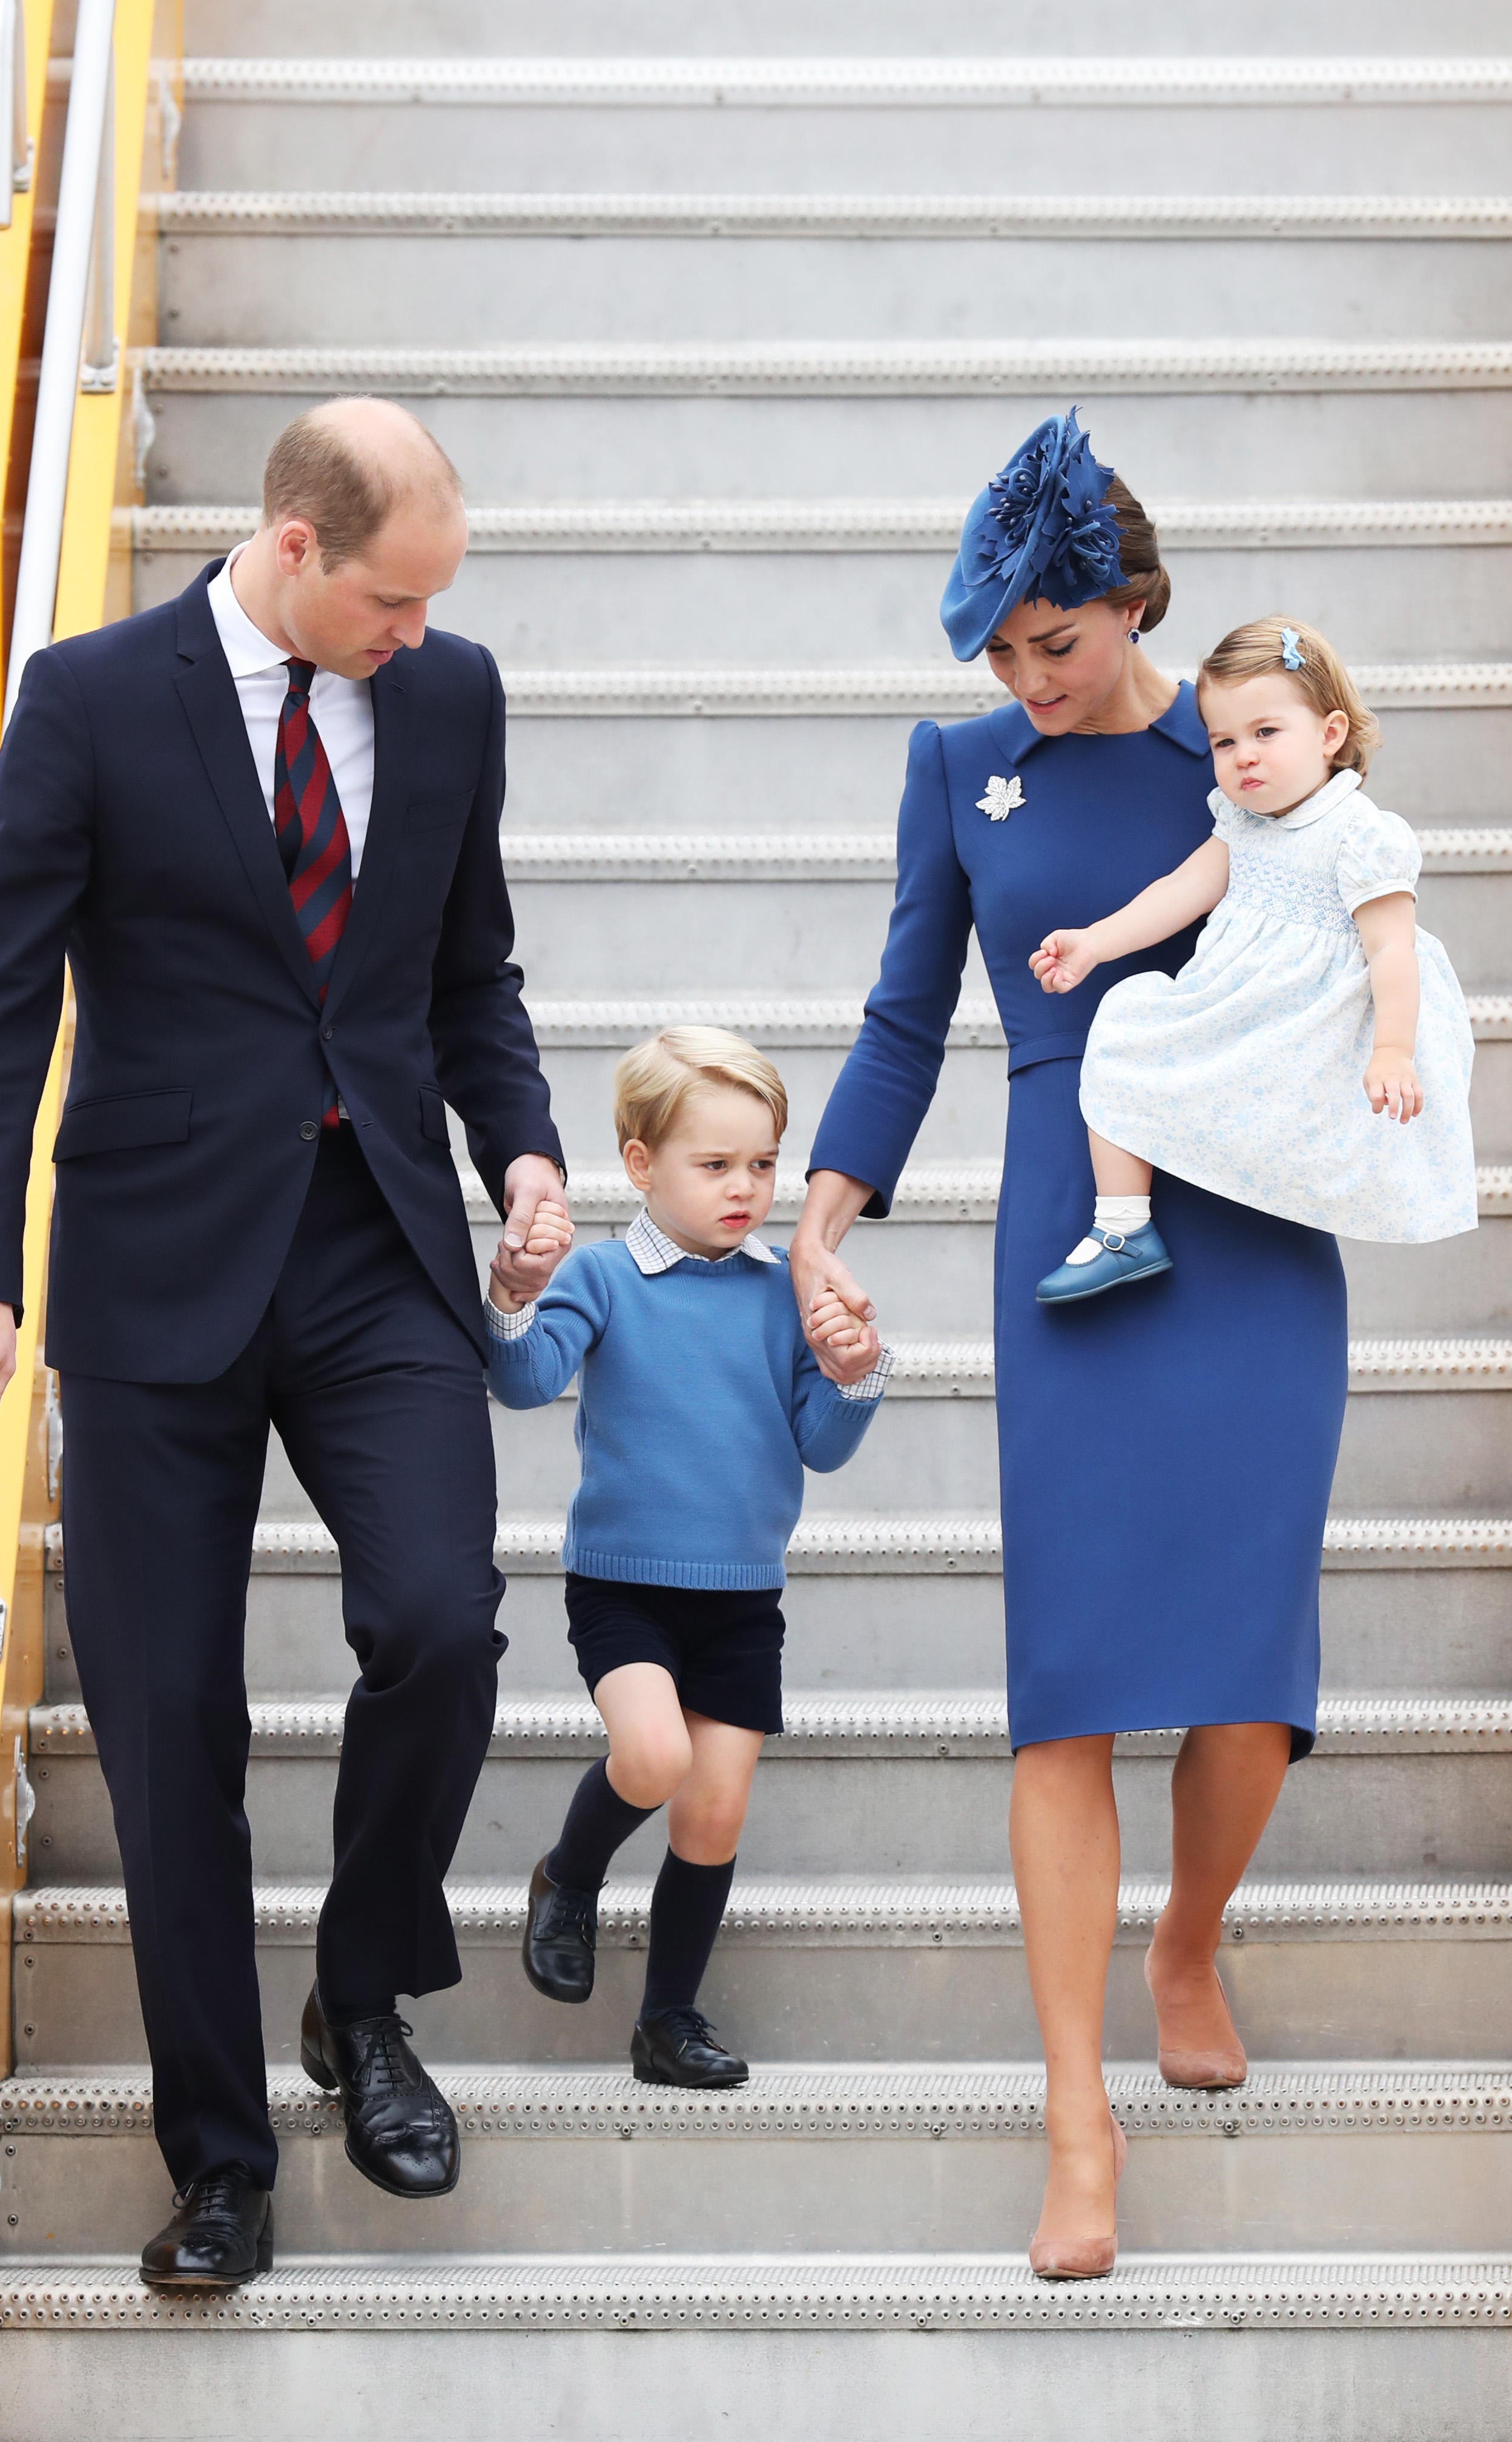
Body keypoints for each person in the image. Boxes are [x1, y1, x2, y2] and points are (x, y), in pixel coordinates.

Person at [0, 398, 571, 2289]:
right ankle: (216, 2158)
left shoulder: (448, 701)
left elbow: (469, 975)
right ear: (290, 548)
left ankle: (360, 2003)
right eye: (388, 599)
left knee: (442, 1626)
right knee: (166, 1720)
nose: (416, 636)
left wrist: (518, 1144)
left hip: (376, 1256)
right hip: (151, 1277)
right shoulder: (91, 698)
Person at [789, 411, 1350, 2278]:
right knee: (1072, 1678)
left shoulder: (1243, 734)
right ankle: (1074, 2115)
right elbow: (896, 1015)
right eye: (997, 654)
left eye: (1056, 644)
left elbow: (1360, 914)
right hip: (1069, 1225)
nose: (1024, 683)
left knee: (1252, 1669)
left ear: (1130, 605)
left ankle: (1188, 1932)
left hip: (1253, 1211)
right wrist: (823, 1213)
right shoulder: (958, 772)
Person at [484, 1030, 889, 2086]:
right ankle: (568, 1875)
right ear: (638, 1164)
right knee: (654, 1758)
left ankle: (667, 2017)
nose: (745, 1187)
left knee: (712, 1808)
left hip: (741, 1598)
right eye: (714, 1165)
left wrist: (853, 1370)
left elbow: (822, 1444)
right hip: (623, 1585)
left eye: (763, 1164)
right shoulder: (606, 1276)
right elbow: (524, 1382)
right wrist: (513, 1297)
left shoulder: (781, 1291)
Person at [1030, 615, 1476, 1303]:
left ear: (1330, 735)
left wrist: (1393, 1048)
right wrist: (1096, 942)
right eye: (1224, 741)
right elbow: (1181, 891)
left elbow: (1392, 948)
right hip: (1240, 1007)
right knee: (1125, 1019)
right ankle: (1124, 1229)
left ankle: (1263, 1183)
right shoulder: (1243, 823)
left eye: (1267, 733)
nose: (1244, 756)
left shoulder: (1359, 835)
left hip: (1312, 1027)